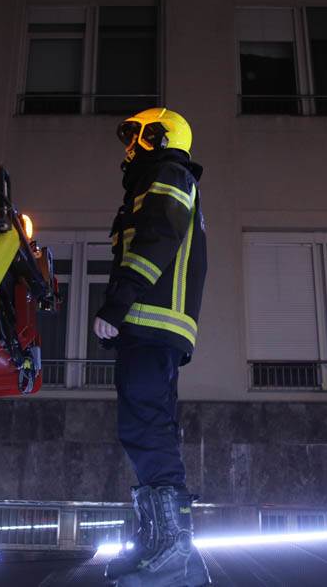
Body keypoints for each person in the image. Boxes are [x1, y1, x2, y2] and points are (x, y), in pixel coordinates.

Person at [93, 108, 210, 587]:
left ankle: (173, 556)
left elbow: (156, 239)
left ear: (161, 137)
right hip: (150, 328)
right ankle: (163, 549)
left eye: (138, 135)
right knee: (145, 427)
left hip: (148, 322)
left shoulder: (168, 174)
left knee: (146, 427)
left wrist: (117, 305)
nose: (129, 146)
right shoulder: (159, 179)